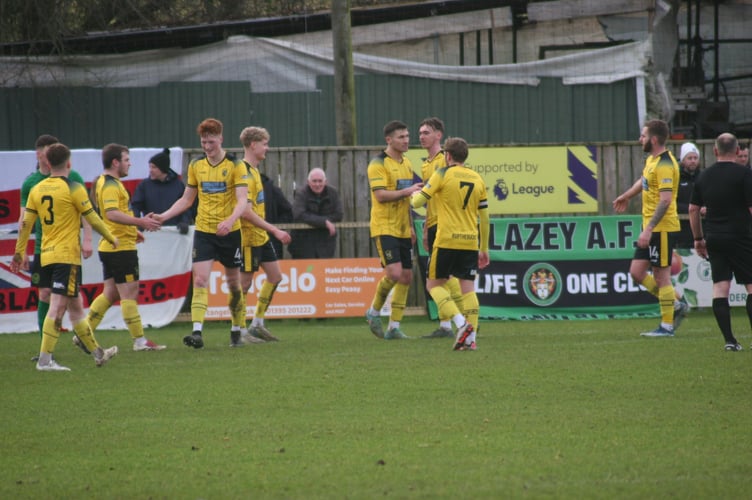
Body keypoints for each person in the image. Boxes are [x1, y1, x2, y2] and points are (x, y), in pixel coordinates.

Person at [11, 143, 119, 371]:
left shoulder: (36, 189)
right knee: (57, 306)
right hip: (66, 256)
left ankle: (98, 353)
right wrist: (110, 236)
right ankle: (45, 360)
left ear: (48, 163)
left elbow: (25, 225)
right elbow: (93, 217)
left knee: (76, 307)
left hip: (45, 254)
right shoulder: (74, 188)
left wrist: (19, 252)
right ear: (69, 163)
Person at [154, 118, 249, 349]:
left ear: (221, 139)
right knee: (199, 280)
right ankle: (197, 332)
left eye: (211, 142)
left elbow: (242, 200)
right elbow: (187, 199)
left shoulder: (236, 166)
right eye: (204, 142)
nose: (207, 146)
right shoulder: (196, 165)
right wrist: (164, 216)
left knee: (234, 285)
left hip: (230, 232)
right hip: (205, 232)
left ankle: (237, 329)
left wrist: (230, 220)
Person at [81, 143, 165, 352]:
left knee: (111, 293)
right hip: (119, 248)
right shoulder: (110, 184)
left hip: (113, 245)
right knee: (129, 293)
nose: (130, 164)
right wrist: (140, 223)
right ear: (115, 162)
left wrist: (132, 230)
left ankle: (84, 333)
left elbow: (111, 215)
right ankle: (139, 341)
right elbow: (110, 214)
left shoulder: (102, 181)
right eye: (127, 160)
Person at [411, 137, 489, 350]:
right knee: (468, 290)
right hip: (470, 242)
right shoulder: (477, 178)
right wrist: (484, 249)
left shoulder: (442, 174)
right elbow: (485, 218)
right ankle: (471, 341)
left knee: (433, 284)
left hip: (446, 240)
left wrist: (413, 194)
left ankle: (461, 324)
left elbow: (419, 202)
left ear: (447, 155)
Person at [19, 134, 93, 362]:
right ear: (39, 154)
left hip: (66, 249)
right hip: (43, 247)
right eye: (45, 150)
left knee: (73, 299)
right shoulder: (31, 183)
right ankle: (46, 350)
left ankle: (87, 346)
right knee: (45, 294)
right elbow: (24, 219)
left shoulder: (74, 178)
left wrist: (88, 238)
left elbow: (87, 213)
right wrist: (20, 249)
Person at [613, 119, 688, 337]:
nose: (640, 139)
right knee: (636, 272)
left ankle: (666, 326)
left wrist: (649, 229)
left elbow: (665, 201)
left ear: (653, 140)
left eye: (643, 136)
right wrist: (627, 195)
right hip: (651, 228)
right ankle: (675, 303)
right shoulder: (652, 160)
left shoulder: (665, 164)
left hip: (662, 228)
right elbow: (643, 180)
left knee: (661, 276)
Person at [689, 133, 752, 351]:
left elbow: (693, 209)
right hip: (742, 237)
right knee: (751, 287)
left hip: (715, 237)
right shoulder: (745, 174)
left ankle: (730, 341)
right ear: (737, 151)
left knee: (720, 287)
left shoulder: (704, 176)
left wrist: (698, 239)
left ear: (715, 151)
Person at [364, 120, 424, 340]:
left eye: (408, 136)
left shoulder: (407, 163)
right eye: (401, 137)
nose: (407, 140)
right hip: (384, 227)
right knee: (394, 273)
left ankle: (394, 327)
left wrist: (410, 226)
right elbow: (380, 196)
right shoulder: (377, 164)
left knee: (407, 277)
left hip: (402, 228)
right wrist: (408, 190)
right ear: (388, 140)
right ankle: (372, 312)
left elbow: (408, 199)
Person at [237, 126, 292, 344]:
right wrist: (275, 230)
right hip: (248, 237)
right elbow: (246, 212)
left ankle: (257, 323)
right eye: (265, 144)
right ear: (253, 145)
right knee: (243, 285)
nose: (267, 148)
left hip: (260, 235)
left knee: (275, 276)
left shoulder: (255, 172)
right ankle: (239, 331)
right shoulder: (243, 173)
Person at [416, 117, 465, 339]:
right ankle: (448, 325)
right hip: (434, 224)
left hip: (446, 225)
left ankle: (462, 322)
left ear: (439, 135)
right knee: (443, 277)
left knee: (435, 279)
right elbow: (430, 201)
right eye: (420, 133)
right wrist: (426, 228)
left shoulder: (444, 162)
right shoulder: (426, 163)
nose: (421, 136)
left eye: (426, 132)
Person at [131, 147, 193, 233]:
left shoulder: (178, 185)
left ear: (163, 168)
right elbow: (135, 206)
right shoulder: (144, 185)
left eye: (154, 167)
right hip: (151, 232)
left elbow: (186, 207)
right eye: (150, 167)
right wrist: (138, 222)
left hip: (174, 233)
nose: (150, 170)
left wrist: (184, 222)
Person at [288, 168, 343, 259]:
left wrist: (316, 220)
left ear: (325, 182)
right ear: (308, 182)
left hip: (325, 244)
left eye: (320, 181)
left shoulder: (333, 193)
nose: (317, 184)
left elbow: (339, 214)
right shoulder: (301, 194)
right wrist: (324, 222)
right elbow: (299, 214)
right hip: (303, 245)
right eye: (314, 181)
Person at [675, 142, 702, 248]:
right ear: (683, 160)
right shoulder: (676, 178)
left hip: (702, 228)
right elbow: (672, 203)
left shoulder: (703, 177)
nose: (693, 161)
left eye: (695, 158)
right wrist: (693, 209)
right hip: (681, 228)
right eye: (689, 158)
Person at [260, 171, 293, 258]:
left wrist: (275, 227)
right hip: (246, 241)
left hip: (271, 241)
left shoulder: (272, 191)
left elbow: (288, 212)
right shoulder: (241, 190)